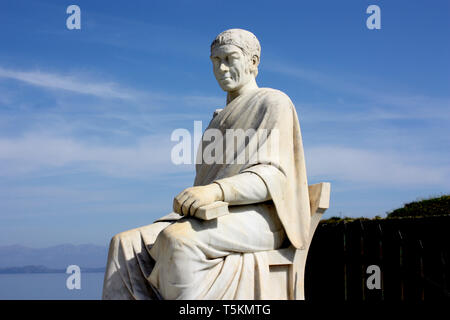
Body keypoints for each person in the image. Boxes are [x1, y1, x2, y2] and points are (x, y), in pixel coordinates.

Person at [102, 28, 311, 300]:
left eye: (229, 58)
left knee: (178, 240)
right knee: (124, 244)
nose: (221, 68)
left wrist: (214, 191)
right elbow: (203, 182)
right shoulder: (216, 120)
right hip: (220, 214)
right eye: (215, 61)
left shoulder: (273, 102)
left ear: (253, 61)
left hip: (262, 216)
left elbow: (273, 174)